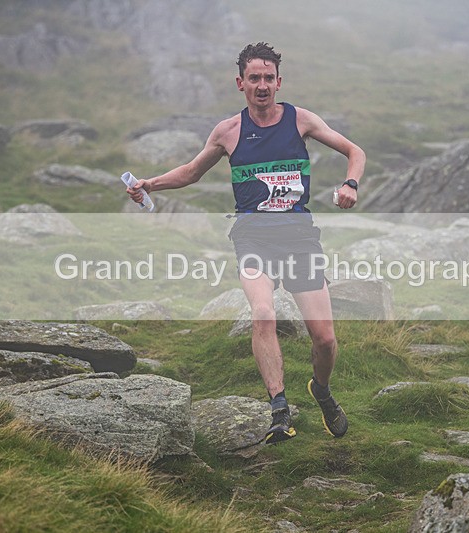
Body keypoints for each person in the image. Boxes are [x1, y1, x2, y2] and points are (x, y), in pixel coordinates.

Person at [127, 42, 366, 444]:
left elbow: (354, 151)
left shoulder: (300, 120)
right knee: (262, 312)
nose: (261, 85)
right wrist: (151, 183)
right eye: (253, 78)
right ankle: (279, 409)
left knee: (324, 339)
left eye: (268, 78)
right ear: (241, 83)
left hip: (299, 235)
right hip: (252, 235)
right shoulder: (228, 131)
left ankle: (321, 390)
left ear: (279, 82)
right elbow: (190, 171)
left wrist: (350, 183)